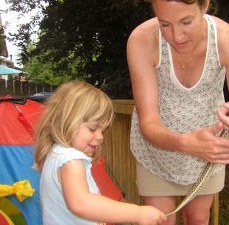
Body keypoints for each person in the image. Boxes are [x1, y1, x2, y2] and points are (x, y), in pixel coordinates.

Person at [126, 0, 229, 225]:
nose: (176, 36)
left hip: (209, 152)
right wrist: (185, 143)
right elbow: (148, 123)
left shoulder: (228, 40)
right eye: (164, 24)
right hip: (156, 152)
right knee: (160, 221)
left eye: (186, 22)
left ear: (204, 5)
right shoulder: (141, 40)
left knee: (197, 218)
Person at [34, 81, 167, 225]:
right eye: (92, 129)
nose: (100, 137)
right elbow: (81, 203)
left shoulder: (56, 154)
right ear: (65, 121)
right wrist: (137, 213)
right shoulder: (70, 160)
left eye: (102, 131)